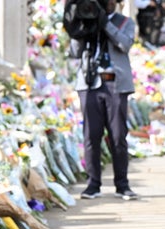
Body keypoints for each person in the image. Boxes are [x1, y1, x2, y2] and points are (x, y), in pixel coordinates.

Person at [71, 0, 139, 200]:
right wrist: (78, 26)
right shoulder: (88, 20)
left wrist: (105, 23)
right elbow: (74, 52)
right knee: (91, 136)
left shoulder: (124, 21)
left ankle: (122, 184)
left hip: (115, 85)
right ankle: (93, 184)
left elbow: (125, 44)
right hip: (90, 84)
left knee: (118, 136)